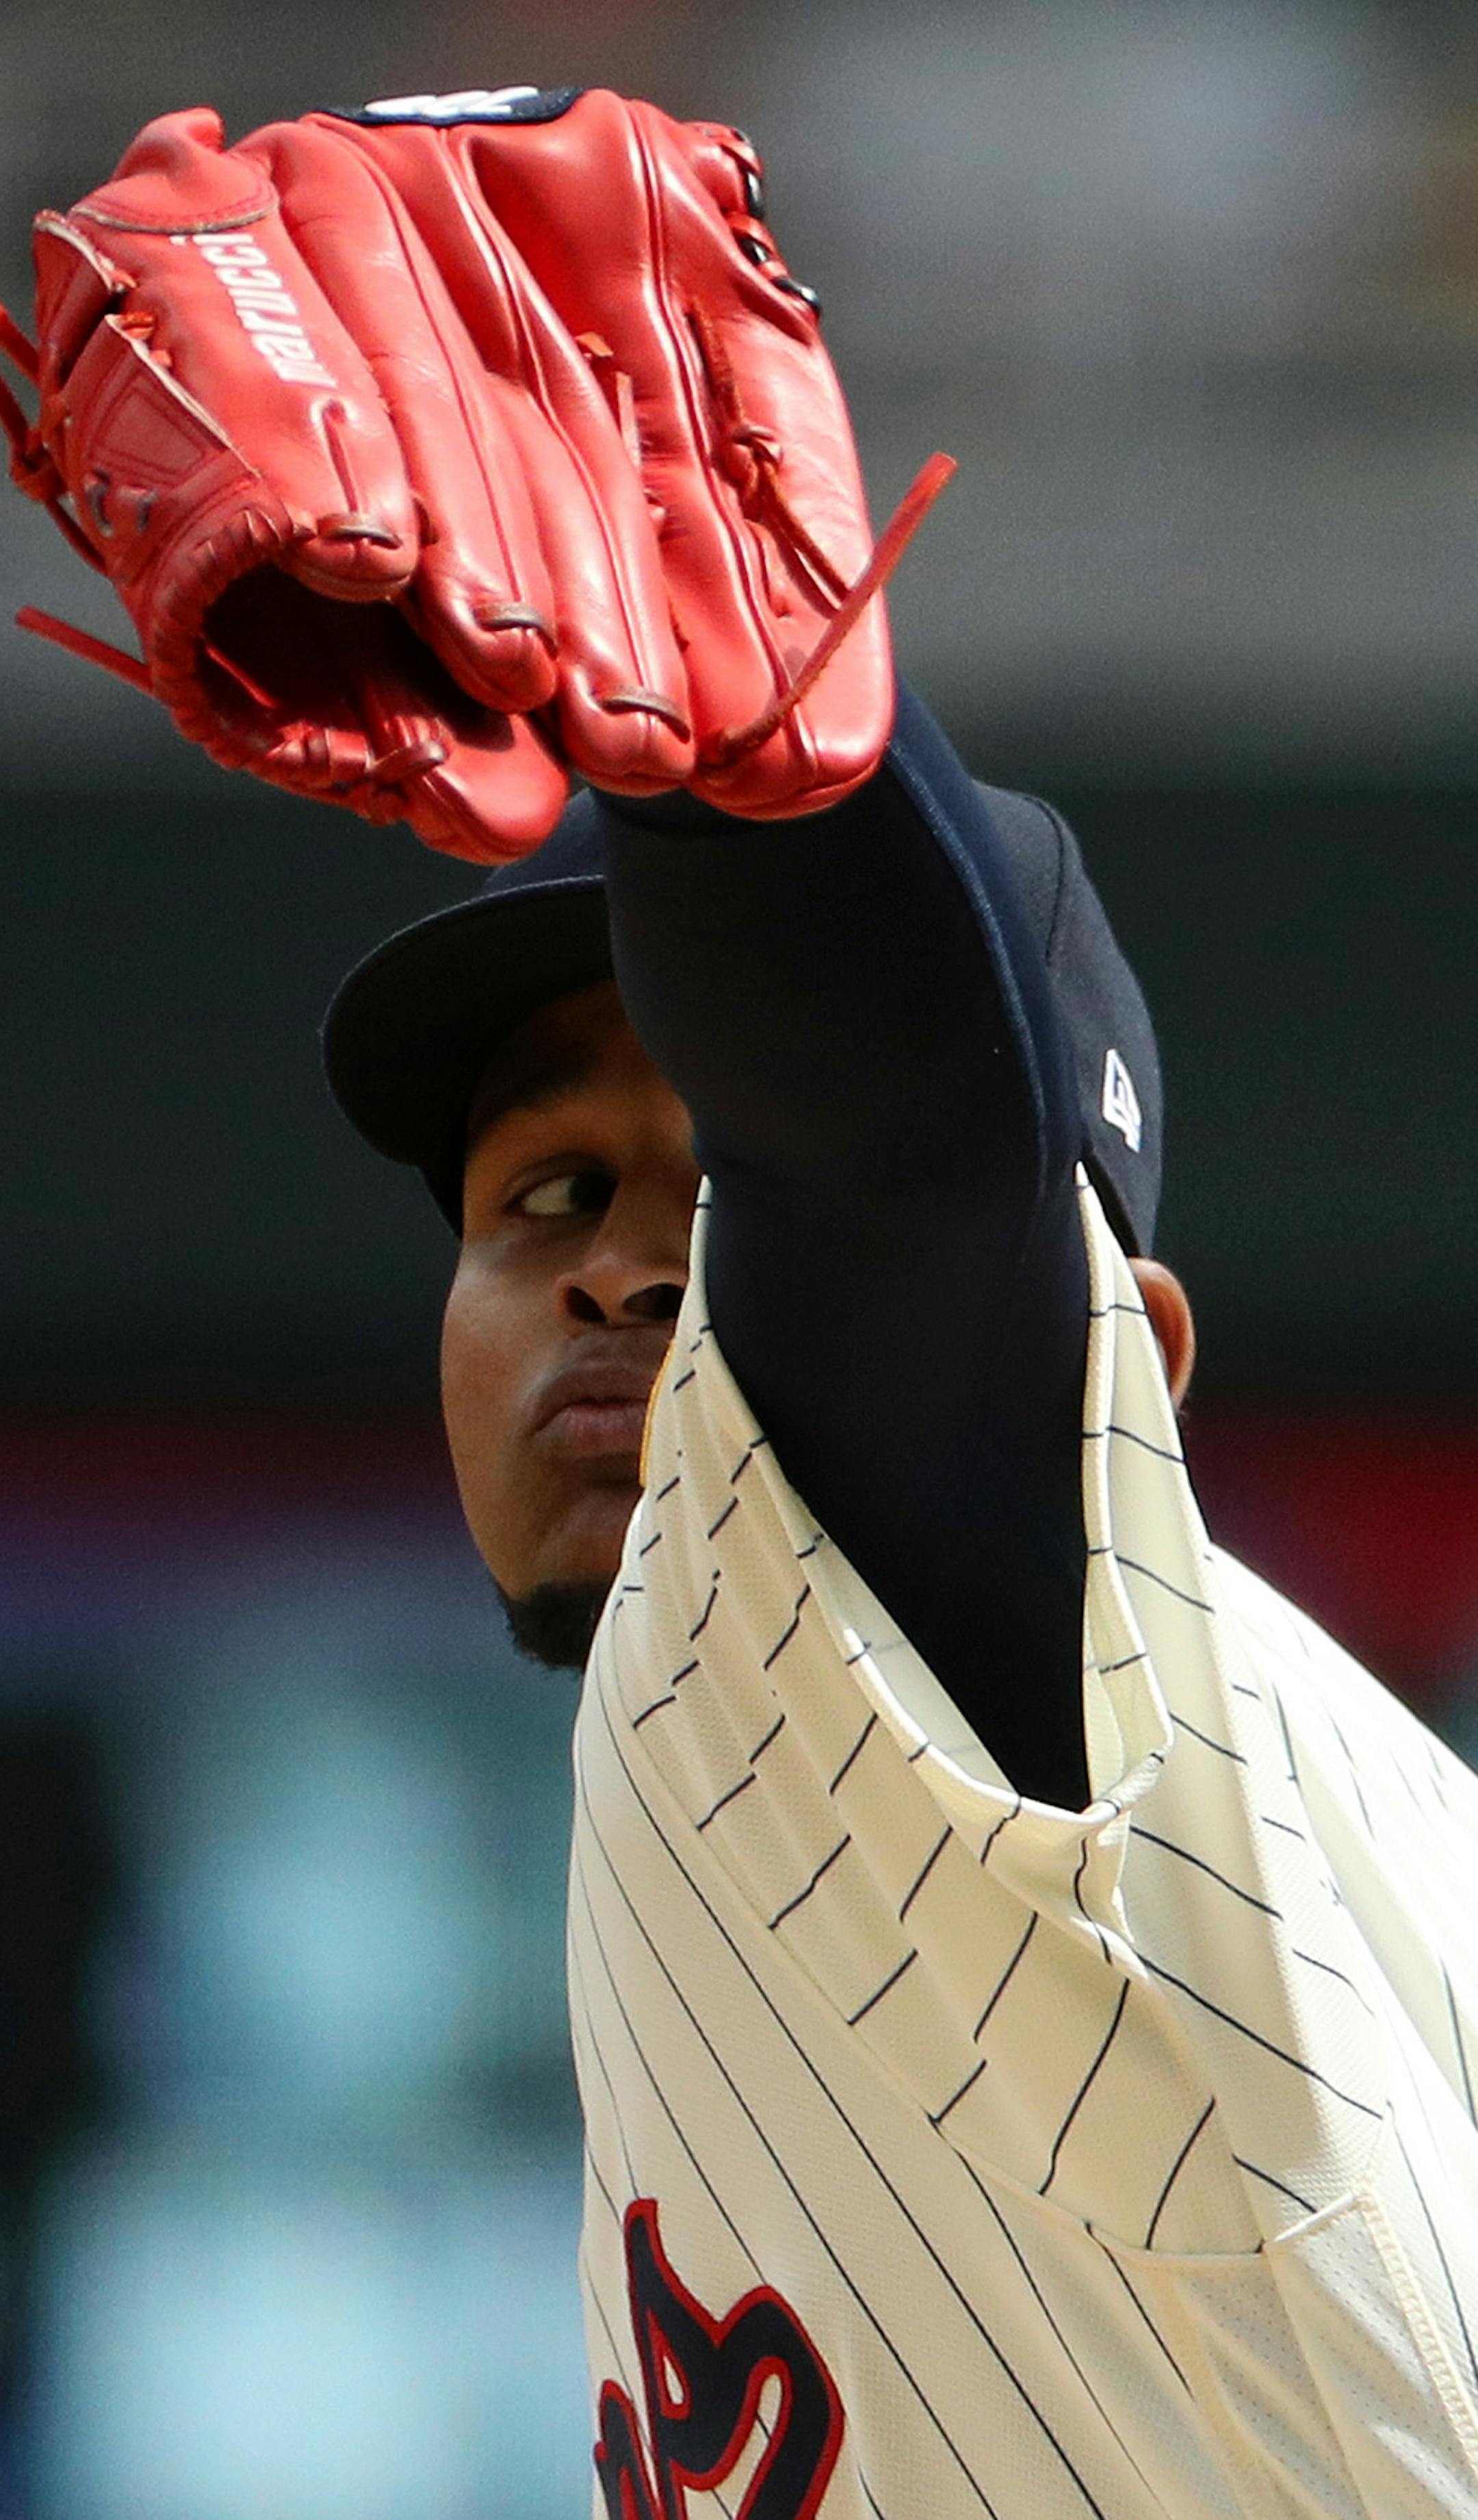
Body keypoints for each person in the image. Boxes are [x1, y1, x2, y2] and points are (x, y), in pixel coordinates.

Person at [13, 83, 1478, 2519]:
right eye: (541, 1192)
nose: (616, 1259)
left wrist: (746, 764)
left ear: (1143, 1382)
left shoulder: (824, 1612)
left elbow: (901, 1160)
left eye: (720, 1187)